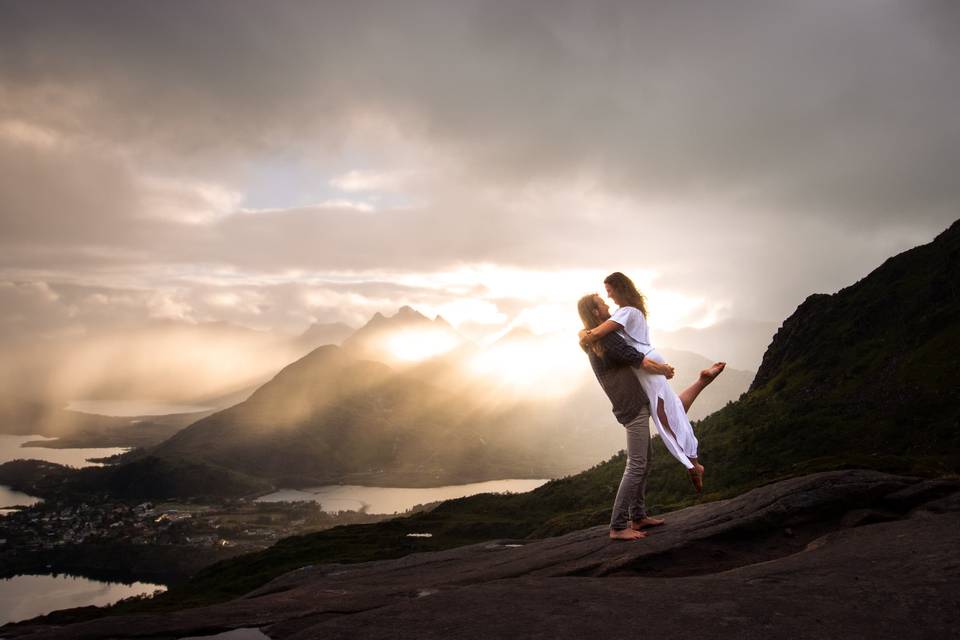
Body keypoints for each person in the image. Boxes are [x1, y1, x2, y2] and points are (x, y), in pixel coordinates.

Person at [577, 292, 721, 539]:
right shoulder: (606, 340)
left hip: (635, 402)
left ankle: (639, 516)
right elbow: (637, 359)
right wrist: (663, 369)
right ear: (595, 312)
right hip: (631, 406)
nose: (608, 304)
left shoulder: (597, 338)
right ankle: (618, 526)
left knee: (645, 461)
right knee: (636, 465)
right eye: (602, 303)